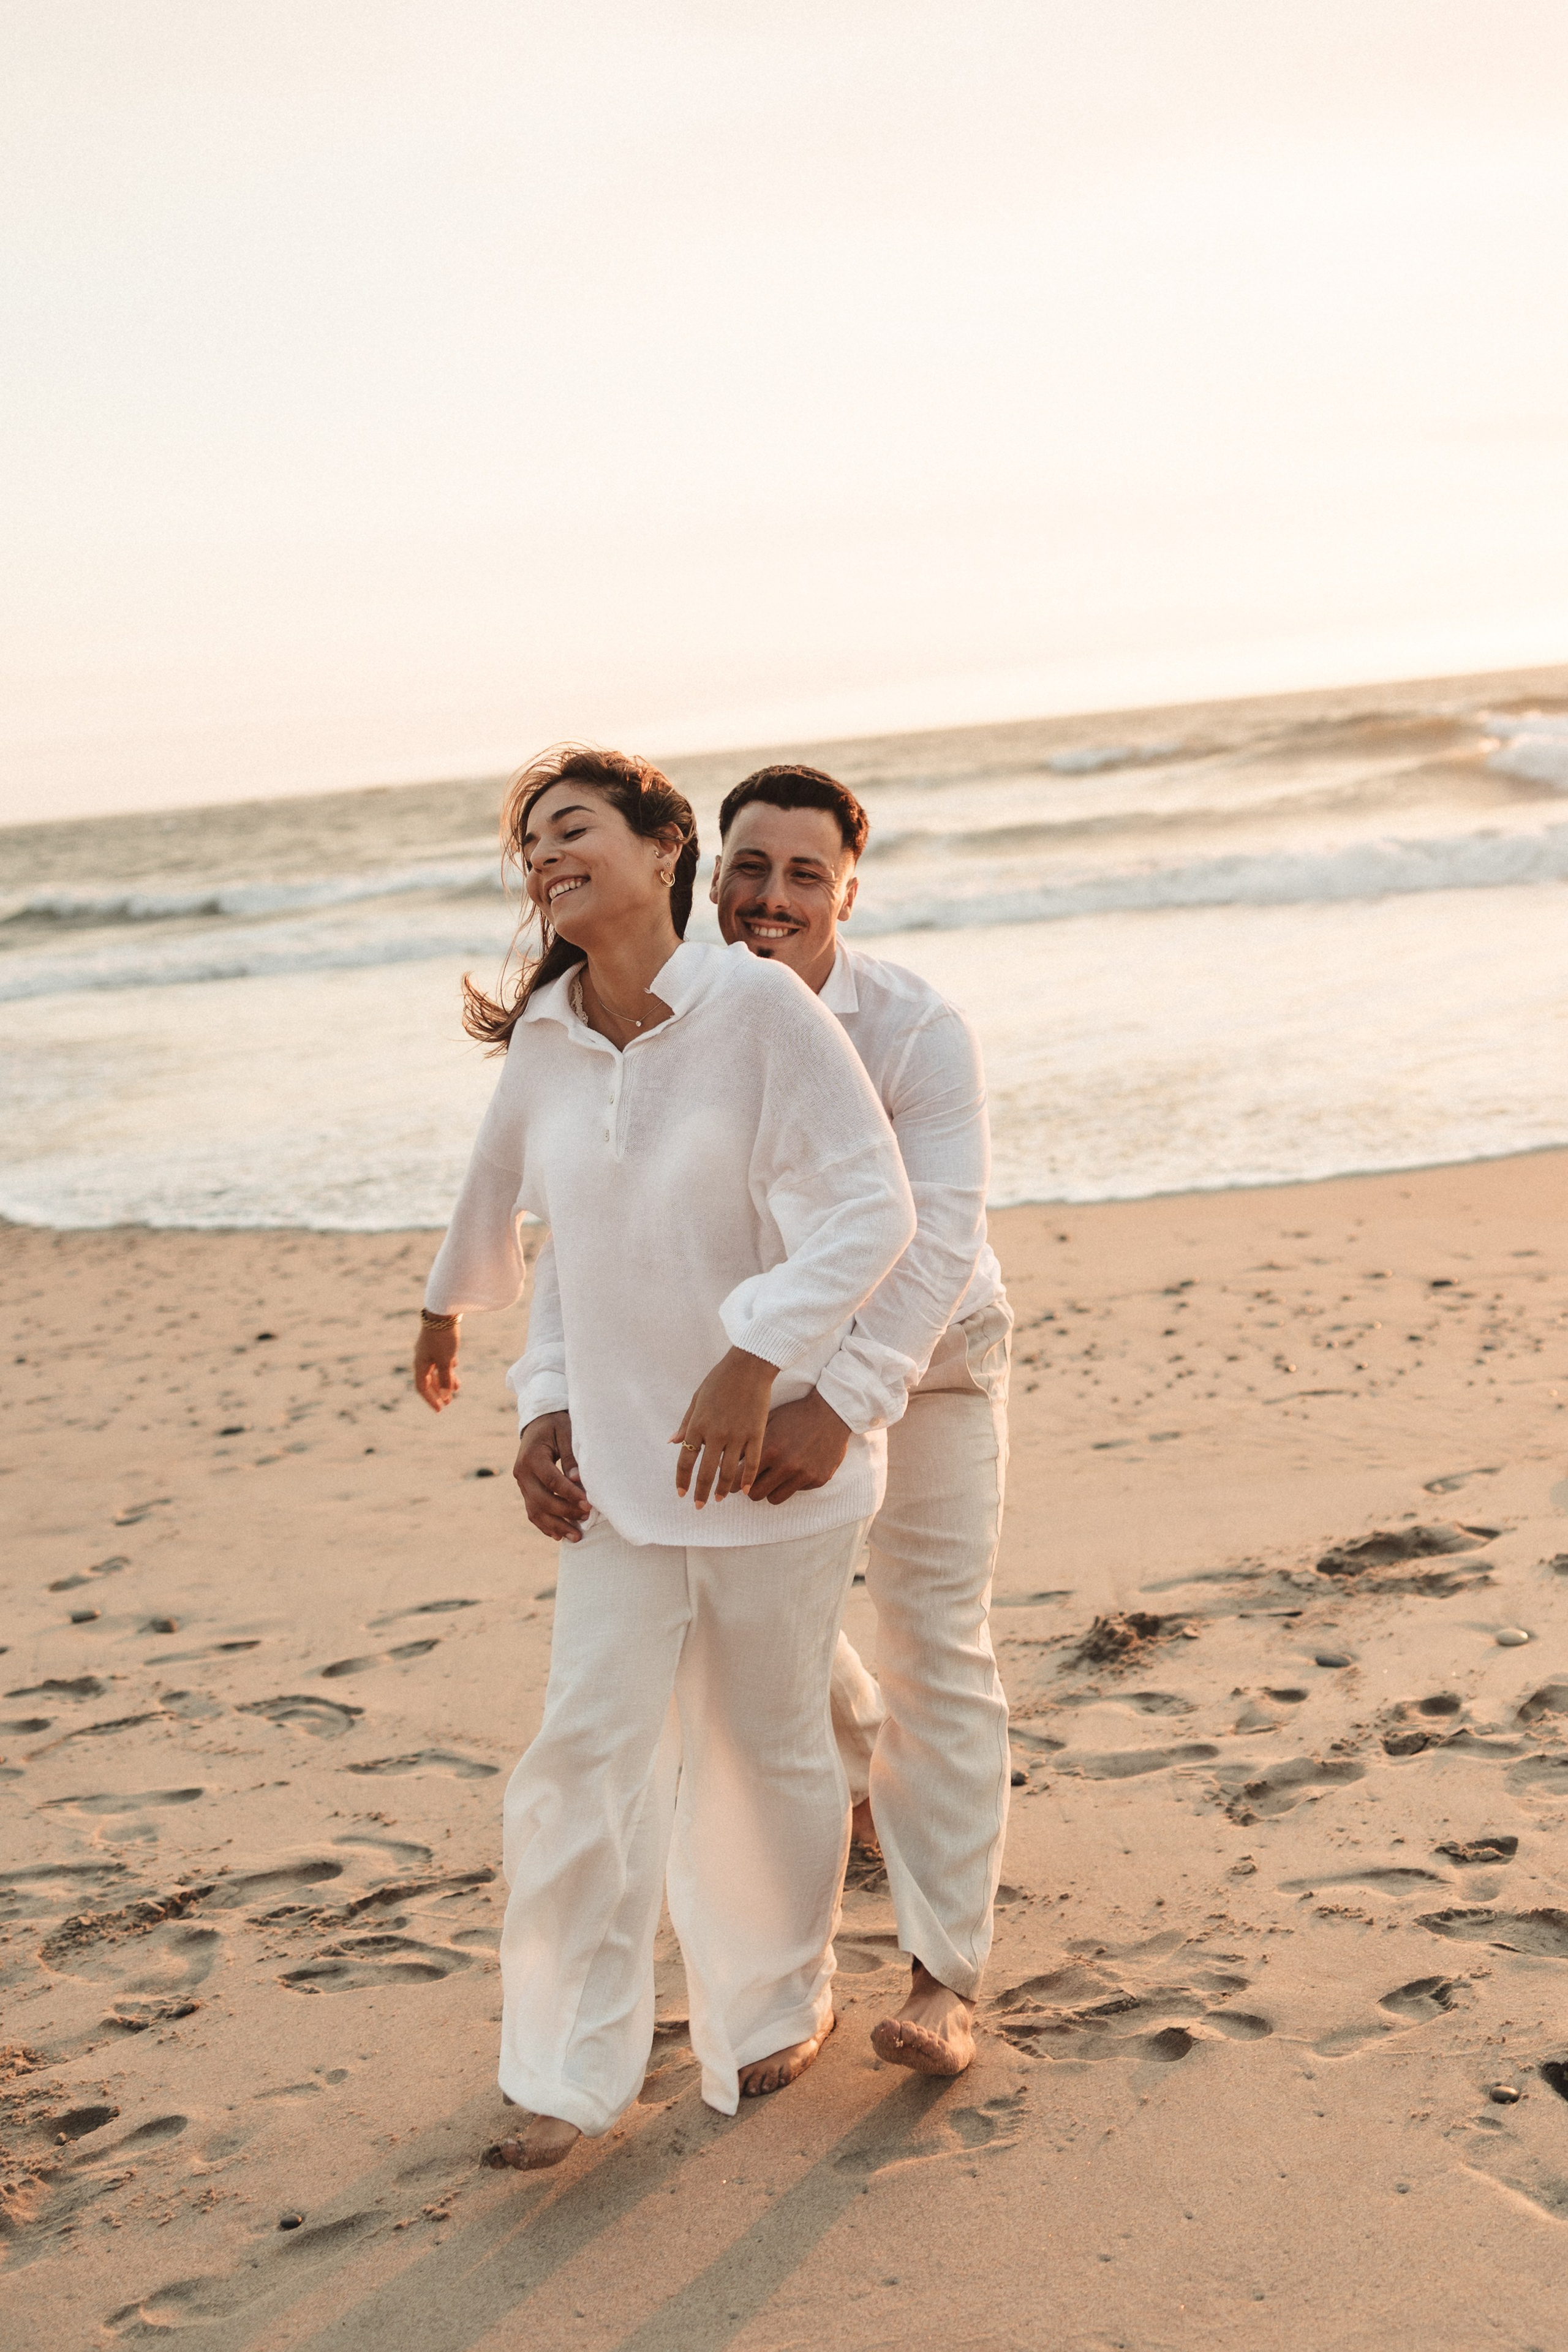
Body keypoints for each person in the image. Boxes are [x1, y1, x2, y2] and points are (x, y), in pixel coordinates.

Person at [414, 745, 915, 2170]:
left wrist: (756, 1359)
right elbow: (537, 1227)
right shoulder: (550, 1038)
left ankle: (768, 2010)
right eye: (528, 847)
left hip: (767, 1471)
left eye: (568, 831)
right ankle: (566, 2067)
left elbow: (870, 1209)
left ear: (658, 851)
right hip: (623, 1483)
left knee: (760, 1754)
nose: (541, 860)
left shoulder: (756, 1008)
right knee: (582, 1756)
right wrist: (530, 1394)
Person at [516, 762, 1012, 2079]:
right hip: (724, 1381)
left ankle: (940, 1979)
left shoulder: (911, 1026)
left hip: (930, 1353)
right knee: (765, 1658)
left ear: (848, 888)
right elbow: (582, 1229)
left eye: (804, 873)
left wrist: (843, 1402)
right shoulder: (656, 1015)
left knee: (931, 1643)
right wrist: (552, 1396)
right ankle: (805, 1924)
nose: (769, 896)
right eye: (748, 866)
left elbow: (933, 1234)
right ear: (703, 869)